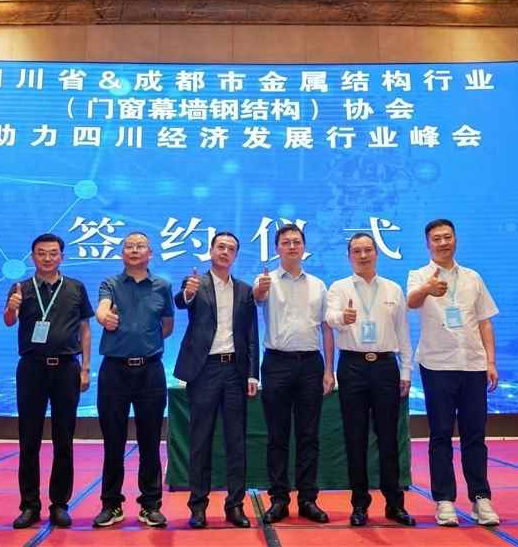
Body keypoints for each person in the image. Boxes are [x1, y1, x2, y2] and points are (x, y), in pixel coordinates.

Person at [407, 219, 501, 527]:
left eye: (447, 237)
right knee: (441, 434)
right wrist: (427, 288)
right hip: (437, 364)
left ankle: (480, 498)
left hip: (473, 364)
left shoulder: (473, 277)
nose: (443, 243)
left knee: (475, 434)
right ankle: (444, 500)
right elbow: (411, 302)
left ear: (455, 240)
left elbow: (485, 321)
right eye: (437, 239)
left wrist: (490, 362)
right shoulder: (418, 275)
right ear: (428, 244)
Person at [325, 232, 416, 527]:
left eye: (368, 250)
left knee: (389, 437)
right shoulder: (339, 287)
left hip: (386, 367)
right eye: (357, 251)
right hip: (352, 366)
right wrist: (343, 318)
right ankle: (359, 504)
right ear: (349, 256)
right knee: (355, 438)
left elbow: (403, 332)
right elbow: (329, 318)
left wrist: (406, 371)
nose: (363, 255)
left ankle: (394, 504)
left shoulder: (392, 289)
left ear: (376, 253)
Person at [4, 233, 93, 529]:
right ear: (33, 257)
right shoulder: (21, 288)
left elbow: (85, 330)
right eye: (41, 253)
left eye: (53, 253)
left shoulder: (76, 288)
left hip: (67, 368)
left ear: (62, 257)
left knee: (63, 439)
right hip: (32, 369)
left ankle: (59, 504)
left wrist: (85, 368)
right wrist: (12, 307)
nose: (47, 258)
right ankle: (29, 505)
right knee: (28, 439)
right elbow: (8, 321)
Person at [173, 231, 259, 529]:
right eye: (220, 247)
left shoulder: (245, 290)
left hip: (235, 371)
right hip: (204, 371)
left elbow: (251, 335)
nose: (225, 252)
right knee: (200, 440)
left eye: (231, 249)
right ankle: (198, 506)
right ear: (211, 251)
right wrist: (188, 293)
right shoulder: (196, 283)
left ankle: (235, 505)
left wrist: (252, 373)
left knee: (236, 441)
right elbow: (181, 302)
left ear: (235, 255)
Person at [252, 223, 335, 524]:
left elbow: (327, 328)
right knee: (277, 435)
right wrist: (260, 290)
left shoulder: (318, 285)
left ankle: (308, 499)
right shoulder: (266, 280)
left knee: (308, 434)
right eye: (285, 242)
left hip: (311, 364)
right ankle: (279, 499)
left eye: (296, 242)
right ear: (277, 249)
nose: (291, 246)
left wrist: (329, 369)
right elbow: (256, 298)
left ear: (304, 247)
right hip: (276, 363)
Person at [93, 232, 174, 528]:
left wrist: (144, 342)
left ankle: (150, 505)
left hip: (150, 371)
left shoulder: (162, 286)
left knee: (150, 441)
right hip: (114, 371)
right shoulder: (110, 284)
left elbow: (167, 325)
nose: (134, 250)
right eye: (129, 246)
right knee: (113, 441)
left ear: (150, 253)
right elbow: (102, 308)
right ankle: (111, 505)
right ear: (122, 253)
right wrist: (105, 318)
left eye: (140, 246)